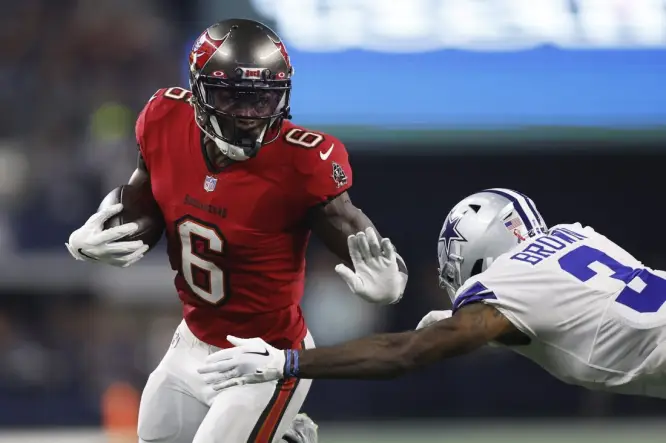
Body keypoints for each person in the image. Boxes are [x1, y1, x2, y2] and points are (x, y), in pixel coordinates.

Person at [65, 18, 408, 443]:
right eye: (233, 97)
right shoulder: (164, 117)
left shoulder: (304, 160)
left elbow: (351, 226)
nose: (248, 116)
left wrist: (391, 276)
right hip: (190, 340)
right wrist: (101, 230)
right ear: (199, 91)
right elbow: (145, 203)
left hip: (265, 356)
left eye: (262, 101)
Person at [201, 188, 666, 400]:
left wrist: (286, 362)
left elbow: (405, 354)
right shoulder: (578, 236)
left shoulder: (506, 284)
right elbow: (576, 310)